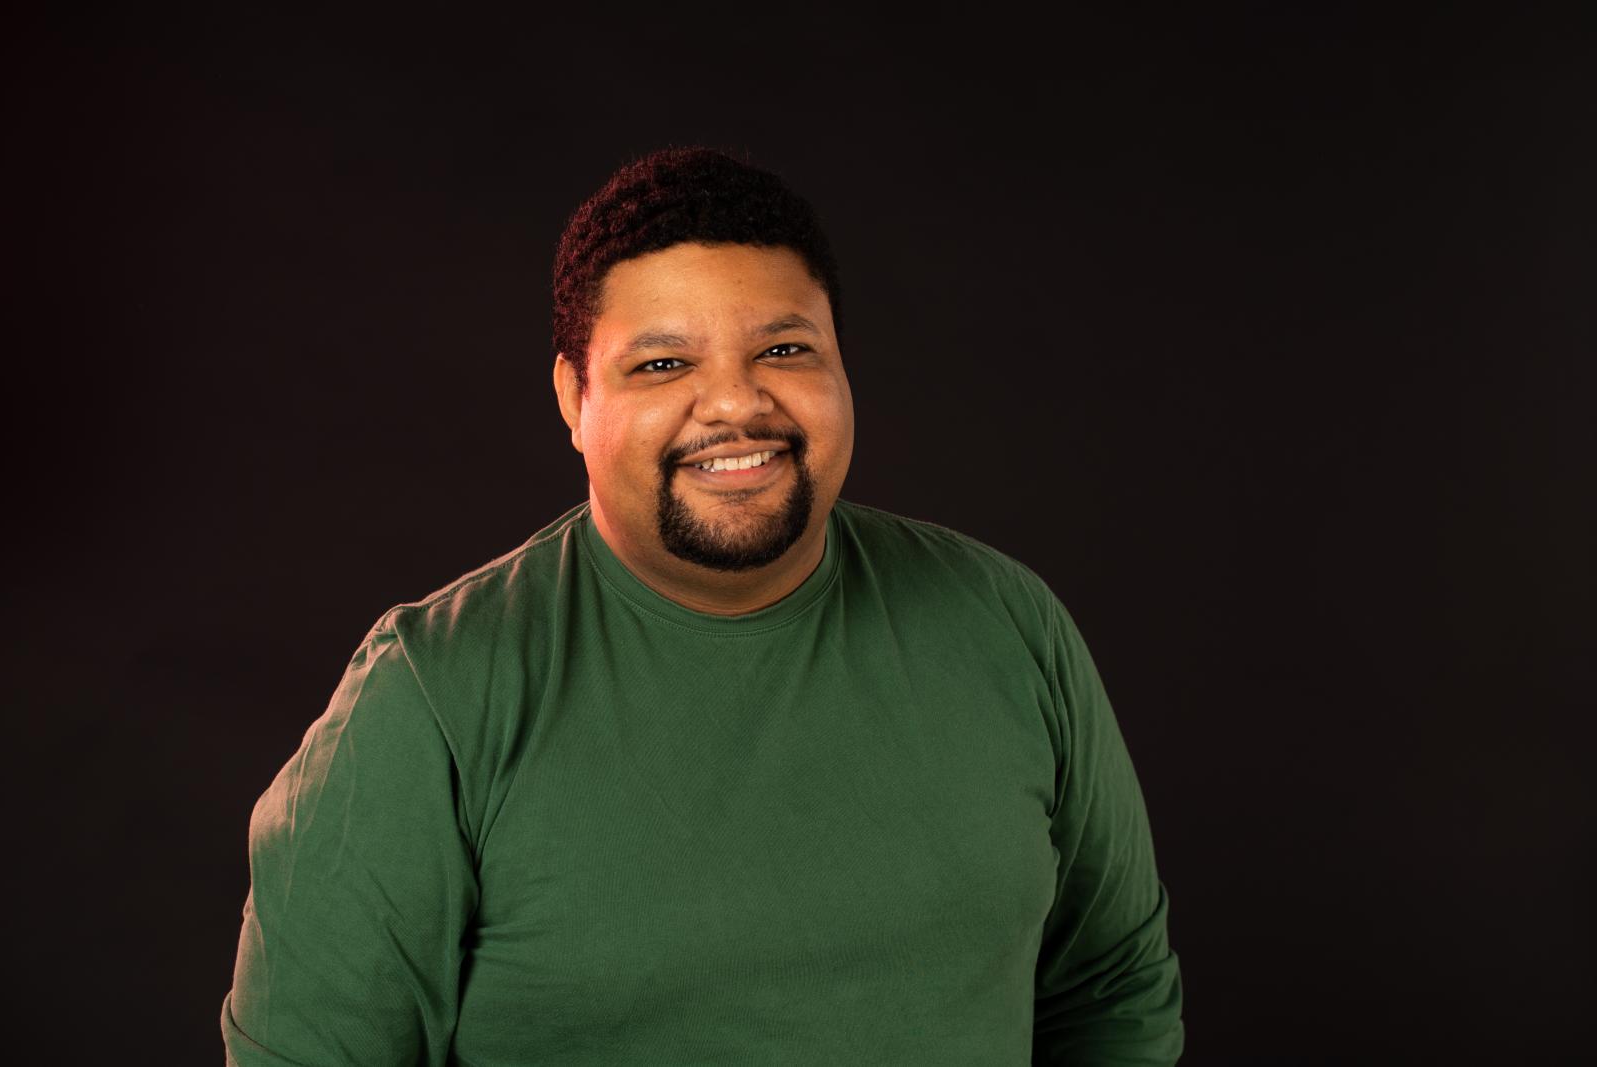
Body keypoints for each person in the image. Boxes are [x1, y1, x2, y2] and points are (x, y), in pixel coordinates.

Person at [221, 147, 1184, 1065]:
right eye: (662, 364)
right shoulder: (431, 695)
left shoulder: (1009, 623)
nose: (733, 403)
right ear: (573, 396)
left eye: (784, 347)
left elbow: (1112, 990)